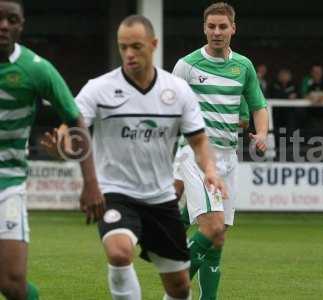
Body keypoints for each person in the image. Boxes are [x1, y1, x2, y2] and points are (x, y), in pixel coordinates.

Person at [42, 15, 226, 300]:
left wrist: (210, 170)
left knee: (178, 287)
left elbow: (199, 141)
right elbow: (71, 127)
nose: (129, 54)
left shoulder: (177, 91)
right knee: (118, 251)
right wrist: (62, 145)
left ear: (153, 45)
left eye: (137, 46)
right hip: (116, 192)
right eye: (123, 47)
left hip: (160, 198)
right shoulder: (99, 88)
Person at [0, 1, 104, 299]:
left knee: (12, 284)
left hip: (8, 183)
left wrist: (92, 184)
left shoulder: (37, 70)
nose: (3, 25)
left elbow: (75, 121)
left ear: (21, 25)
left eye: (11, 19)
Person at [172, 3, 268, 299]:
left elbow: (257, 105)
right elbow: (169, 108)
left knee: (218, 238)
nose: (216, 32)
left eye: (222, 26)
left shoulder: (244, 66)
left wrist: (262, 133)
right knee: (212, 228)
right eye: (211, 26)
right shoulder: (186, 65)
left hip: (227, 159)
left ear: (233, 29)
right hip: (196, 154)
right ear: (204, 28)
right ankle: (173, 284)